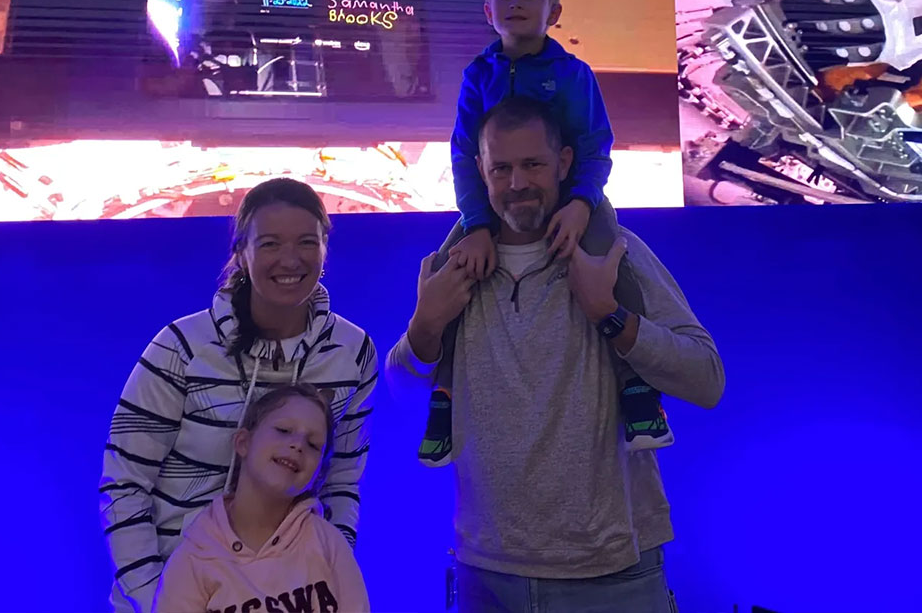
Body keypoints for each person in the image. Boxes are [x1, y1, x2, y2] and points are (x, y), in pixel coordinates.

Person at [386, 97, 725, 612]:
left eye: (533, 165)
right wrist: (425, 324)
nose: (517, 183)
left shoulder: (616, 254)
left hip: (614, 574)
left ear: (565, 163)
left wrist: (610, 314)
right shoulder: (450, 268)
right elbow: (404, 394)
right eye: (502, 167)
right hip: (486, 575)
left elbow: (707, 379)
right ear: (480, 171)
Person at [418, 0, 672, 467]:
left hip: (579, 203)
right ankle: (443, 402)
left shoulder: (573, 74)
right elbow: (465, 155)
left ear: (553, 13)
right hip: (486, 213)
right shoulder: (476, 75)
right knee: (449, 275)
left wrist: (581, 204)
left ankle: (638, 389)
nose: (516, 4)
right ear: (487, 11)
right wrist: (479, 225)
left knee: (611, 265)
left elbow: (596, 145)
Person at [99, 178, 377, 613]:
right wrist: (159, 598)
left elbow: (341, 483)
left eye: (307, 241)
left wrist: (330, 575)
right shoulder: (180, 347)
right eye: (269, 243)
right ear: (241, 253)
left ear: (325, 250)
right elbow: (124, 483)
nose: (290, 259)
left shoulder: (352, 352)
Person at [152, 384, 370, 613]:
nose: (297, 445)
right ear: (243, 442)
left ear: (319, 473)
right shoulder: (193, 560)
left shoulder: (329, 543)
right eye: (284, 430)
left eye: (313, 444)